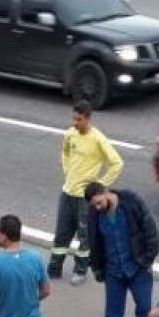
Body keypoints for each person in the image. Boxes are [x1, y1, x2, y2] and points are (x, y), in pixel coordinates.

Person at [85, 181, 159, 317]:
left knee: (144, 308)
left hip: (138, 268)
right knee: (113, 310)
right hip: (113, 271)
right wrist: (96, 267)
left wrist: (147, 260)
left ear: (106, 192)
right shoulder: (95, 213)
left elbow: (151, 232)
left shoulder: (132, 202)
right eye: (94, 205)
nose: (97, 207)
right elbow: (93, 241)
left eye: (99, 202)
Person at [48, 102, 122, 285]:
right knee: (61, 233)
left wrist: (100, 185)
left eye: (79, 120)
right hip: (67, 192)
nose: (75, 123)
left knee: (85, 236)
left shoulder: (98, 139)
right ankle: (54, 268)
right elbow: (65, 152)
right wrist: (67, 169)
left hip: (84, 198)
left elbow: (117, 163)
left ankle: (80, 270)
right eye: (73, 118)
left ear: (88, 119)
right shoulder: (70, 134)